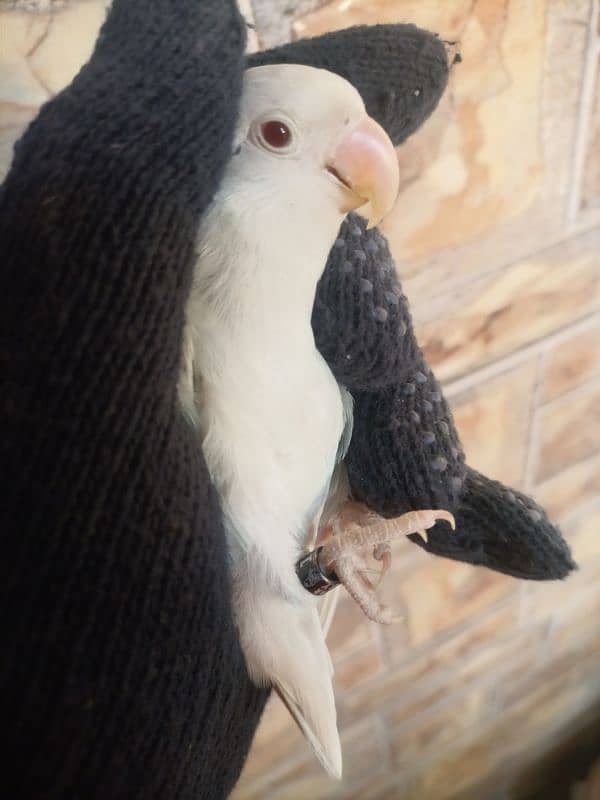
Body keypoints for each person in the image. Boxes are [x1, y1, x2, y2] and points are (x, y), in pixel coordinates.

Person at [0, 2, 450, 797]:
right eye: (278, 136)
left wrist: (346, 526)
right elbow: (250, 582)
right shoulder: (148, 341)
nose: (363, 150)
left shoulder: (311, 328)